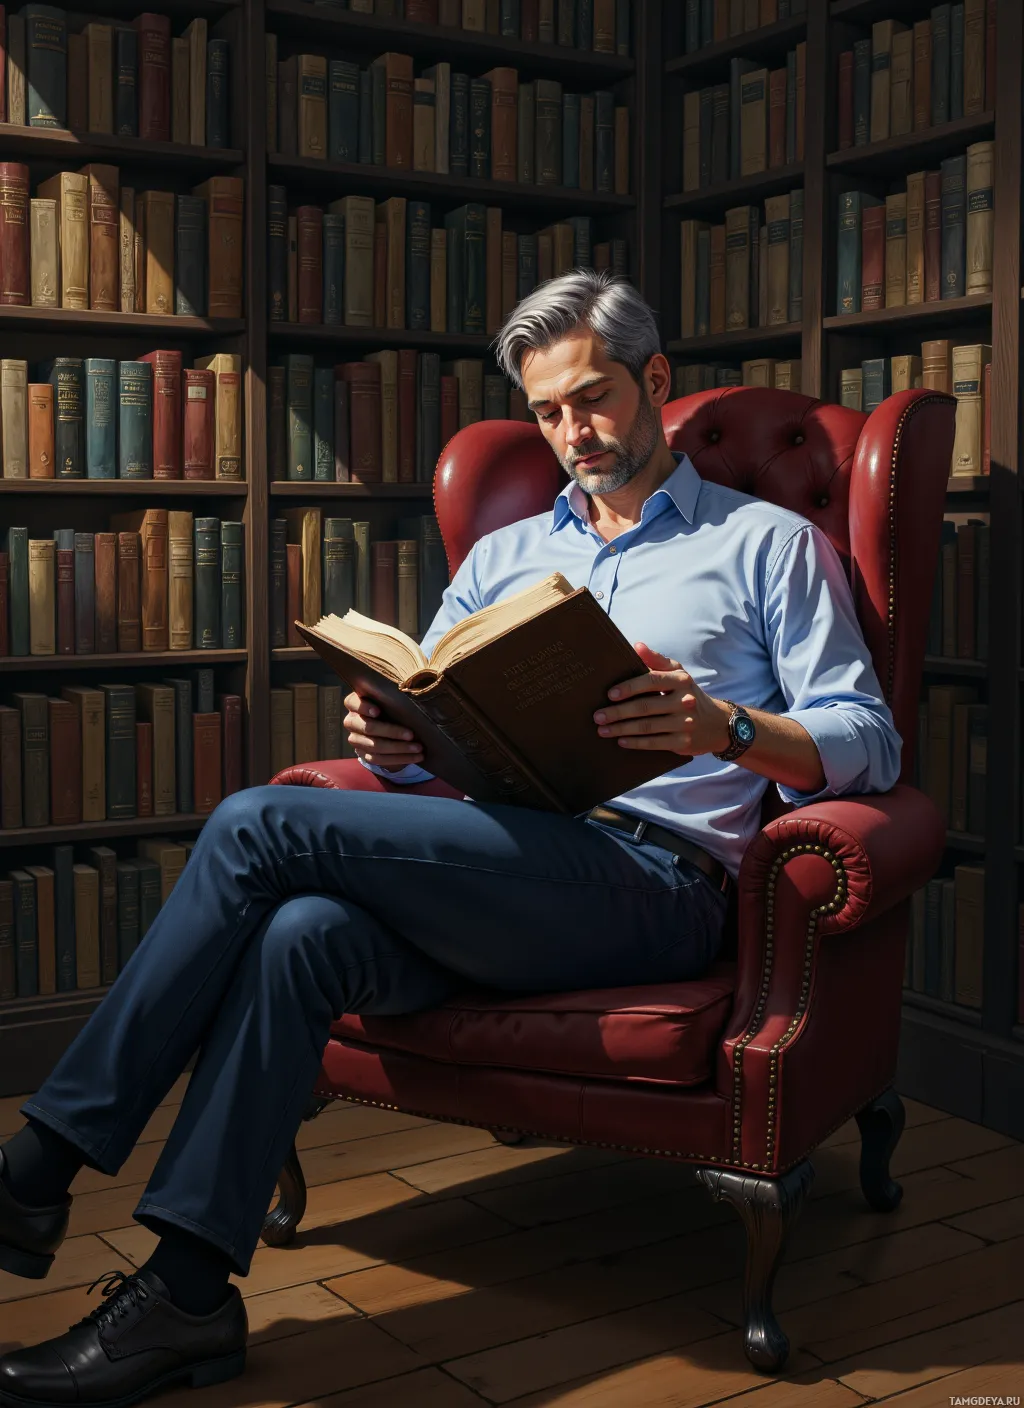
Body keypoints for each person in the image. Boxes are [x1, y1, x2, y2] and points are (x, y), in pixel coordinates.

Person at [0, 270, 900, 1408]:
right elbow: (440, 724)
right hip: (506, 863)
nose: (573, 432)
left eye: (595, 399)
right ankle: (185, 1296)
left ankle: (39, 1165)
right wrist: (389, 739)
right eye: (548, 413)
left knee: (255, 823)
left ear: (653, 381)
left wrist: (721, 726)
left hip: (656, 881)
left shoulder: (764, 545)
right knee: (302, 937)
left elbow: (869, 741)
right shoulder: (505, 557)